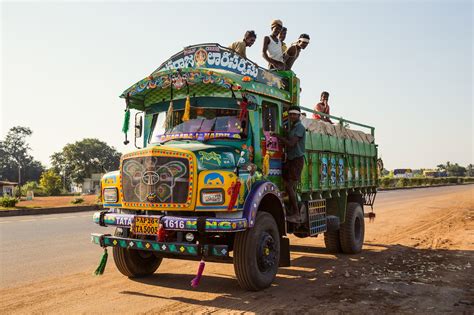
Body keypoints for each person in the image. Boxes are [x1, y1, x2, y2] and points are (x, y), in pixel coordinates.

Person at [272, 106, 306, 223]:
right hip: (291, 160)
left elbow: (291, 143)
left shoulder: (300, 127)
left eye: (294, 114)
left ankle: (296, 214)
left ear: (298, 115)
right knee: (286, 184)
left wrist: (278, 137)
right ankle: (291, 210)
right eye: (290, 114)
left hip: (297, 160)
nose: (292, 116)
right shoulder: (293, 128)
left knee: (290, 186)